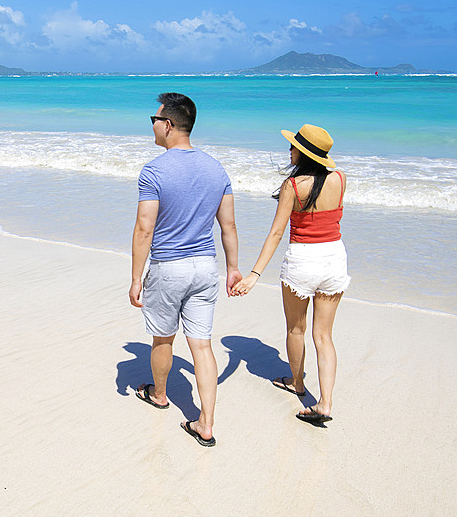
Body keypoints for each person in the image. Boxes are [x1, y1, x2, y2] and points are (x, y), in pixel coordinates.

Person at [130, 92, 241, 447]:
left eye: (154, 119)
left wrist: (136, 278)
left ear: (168, 124)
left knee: (163, 337)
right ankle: (205, 422)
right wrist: (233, 268)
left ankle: (159, 394)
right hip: (206, 267)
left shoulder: (154, 170)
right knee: (202, 346)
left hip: (169, 268)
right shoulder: (215, 167)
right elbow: (229, 226)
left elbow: (145, 228)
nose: (152, 125)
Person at [233, 124, 349, 425]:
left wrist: (254, 274)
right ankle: (325, 402)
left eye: (294, 146)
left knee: (296, 330)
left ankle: (297, 383)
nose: (290, 150)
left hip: (303, 261)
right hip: (335, 258)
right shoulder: (340, 178)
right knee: (324, 335)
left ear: (305, 153)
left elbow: (275, 233)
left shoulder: (293, 186)